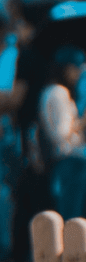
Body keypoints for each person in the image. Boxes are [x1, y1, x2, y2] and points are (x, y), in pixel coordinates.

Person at [38, 46, 86, 219]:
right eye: (76, 68)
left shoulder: (49, 91)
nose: (78, 74)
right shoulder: (60, 93)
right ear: (67, 68)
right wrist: (82, 122)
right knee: (72, 216)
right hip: (71, 161)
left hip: (63, 162)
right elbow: (61, 133)